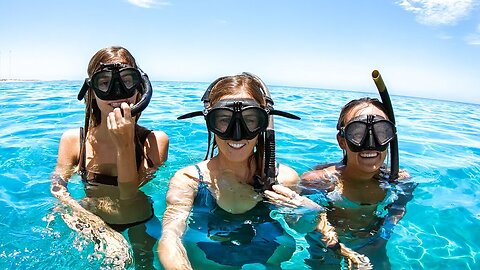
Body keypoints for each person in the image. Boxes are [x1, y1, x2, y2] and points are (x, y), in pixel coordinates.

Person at [158, 73, 312, 269]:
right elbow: (170, 236)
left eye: (249, 120)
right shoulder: (189, 180)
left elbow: (302, 227)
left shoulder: (284, 178)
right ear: (210, 123)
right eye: (223, 120)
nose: (236, 133)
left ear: (263, 123)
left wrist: (307, 209)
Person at [50, 46, 169, 269]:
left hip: (140, 221)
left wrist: (124, 145)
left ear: (140, 88)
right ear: (92, 90)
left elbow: (129, 195)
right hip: (94, 222)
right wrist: (97, 227)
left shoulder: (155, 141)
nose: (118, 92)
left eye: (126, 81)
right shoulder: (73, 141)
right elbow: (58, 189)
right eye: (105, 82)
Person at [301, 96, 417, 269]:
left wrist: (380, 239)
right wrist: (338, 247)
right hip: (327, 246)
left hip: (372, 244)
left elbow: (397, 210)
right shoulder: (321, 181)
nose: (370, 144)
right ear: (342, 141)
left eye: (381, 132)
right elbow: (306, 218)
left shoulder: (399, 180)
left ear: (390, 138)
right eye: (358, 133)